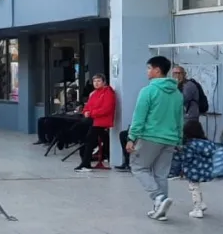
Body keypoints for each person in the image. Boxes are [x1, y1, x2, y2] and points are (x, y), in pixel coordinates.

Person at [125, 56, 184, 221]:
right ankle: (160, 209)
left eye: (149, 68)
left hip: (150, 137)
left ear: (157, 70)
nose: (147, 71)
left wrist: (132, 137)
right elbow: (180, 118)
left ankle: (158, 197)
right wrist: (179, 139)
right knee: (161, 174)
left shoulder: (148, 91)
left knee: (138, 167)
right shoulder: (177, 94)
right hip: (170, 138)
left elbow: (139, 116)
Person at [174, 120, 215, 218]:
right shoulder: (208, 143)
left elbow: (187, 158)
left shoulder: (190, 144)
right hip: (207, 171)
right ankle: (201, 204)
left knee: (193, 187)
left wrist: (178, 153)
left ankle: (197, 209)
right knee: (197, 187)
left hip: (194, 171)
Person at [74, 74, 116, 172]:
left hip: (101, 121)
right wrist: (86, 112)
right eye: (94, 81)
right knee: (83, 136)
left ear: (104, 82)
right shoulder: (94, 93)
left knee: (89, 140)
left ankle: (86, 164)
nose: (96, 83)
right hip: (93, 120)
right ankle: (86, 162)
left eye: (99, 81)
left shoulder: (108, 93)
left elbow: (106, 109)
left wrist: (91, 113)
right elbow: (87, 106)